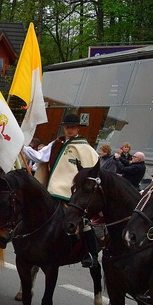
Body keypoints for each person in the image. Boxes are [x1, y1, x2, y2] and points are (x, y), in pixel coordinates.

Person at [23, 113, 100, 268]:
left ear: (78, 128)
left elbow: (94, 172)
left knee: (83, 221)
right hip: (52, 190)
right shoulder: (57, 143)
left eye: (72, 127)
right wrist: (20, 147)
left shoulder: (86, 149)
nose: (69, 130)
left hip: (73, 193)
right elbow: (39, 157)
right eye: (66, 127)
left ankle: (91, 254)